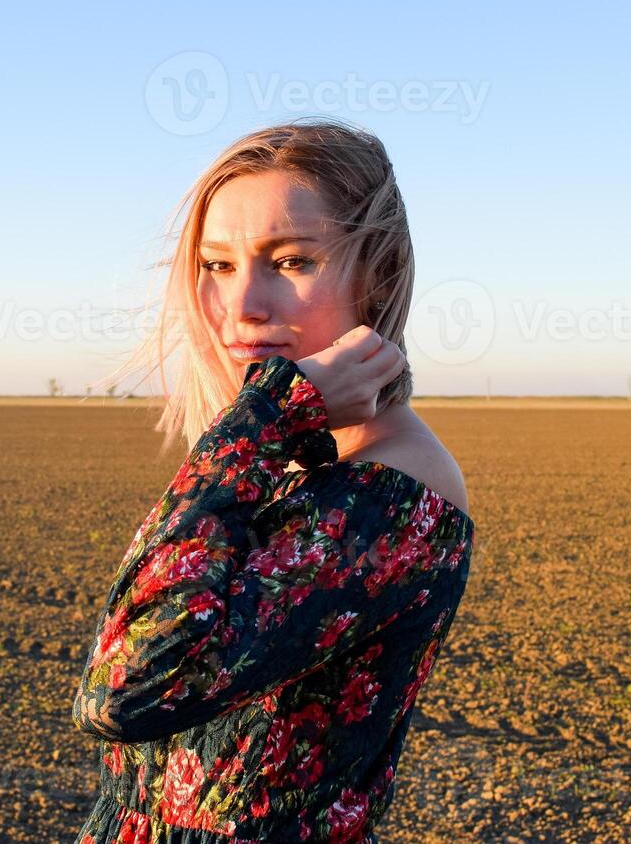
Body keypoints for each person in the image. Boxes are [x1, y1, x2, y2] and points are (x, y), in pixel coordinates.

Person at [70, 118, 474, 843]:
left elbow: (127, 689)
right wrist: (265, 431)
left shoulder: (393, 490)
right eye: (218, 265)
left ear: (376, 273)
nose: (243, 303)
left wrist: (259, 420)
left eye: (290, 261)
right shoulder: (283, 457)